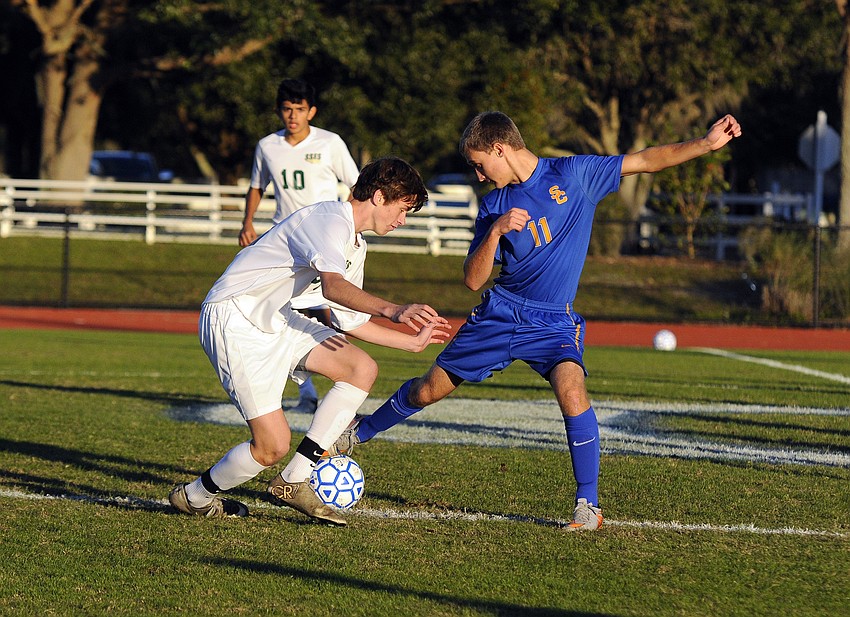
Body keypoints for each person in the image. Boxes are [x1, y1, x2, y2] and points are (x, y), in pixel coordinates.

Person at [329, 111, 743, 530]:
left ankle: (588, 506)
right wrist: (494, 234)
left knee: (572, 391)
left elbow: (648, 159)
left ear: (499, 149)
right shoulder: (493, 205)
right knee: (427, 391)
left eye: (479, 165)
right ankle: (358, 433)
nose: (478, 176)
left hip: (554, 323)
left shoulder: (576, 174)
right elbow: (473, 281)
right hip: (499, 315)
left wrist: (705, 145)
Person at [169, 156, 449, 526]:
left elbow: (351, 319)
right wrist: (394, 309)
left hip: (277, 318)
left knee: (360, 368)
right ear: (379, 197)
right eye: (403, 208)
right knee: (271, 446)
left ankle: (293, 479)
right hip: (234, 317)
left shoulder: (356, 243)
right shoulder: (329, 219)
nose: (403, 220)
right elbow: (333, 286)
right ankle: (195, 497)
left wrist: (411, 344)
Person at [240, 78, 361, 415]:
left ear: (312, 111)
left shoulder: (330, 143)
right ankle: (306, 390)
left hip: (324, 244)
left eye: (299, 109)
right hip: (285, 246)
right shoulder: (267, 146)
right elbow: (256, 186)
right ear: (280, 111)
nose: (292, 116)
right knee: (281, 313)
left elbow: (356, 186)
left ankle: (347, 379)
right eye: (287, 109)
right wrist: (247, 222)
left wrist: (342, 226)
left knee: (333, 312)